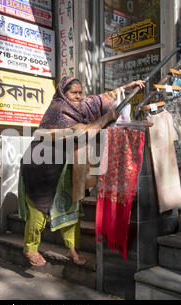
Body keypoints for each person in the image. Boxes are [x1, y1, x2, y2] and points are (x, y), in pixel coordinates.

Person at [19, 76, 145, 267]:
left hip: (65, 165)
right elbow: (84, 133)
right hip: (41, 165)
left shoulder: (82, 105)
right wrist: (105, 119)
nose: (78, 96)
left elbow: (104, 97)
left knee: (70, 207)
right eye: (73, 93)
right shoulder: (58, 110)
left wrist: (127, 87)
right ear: (63, 92)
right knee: (40, 208)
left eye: (80, 92)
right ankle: (30, 248)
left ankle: (72, 250)